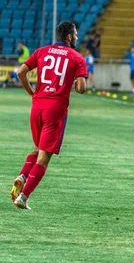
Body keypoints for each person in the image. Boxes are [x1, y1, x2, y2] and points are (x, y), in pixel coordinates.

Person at [11, 21, 88, 209]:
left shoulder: (41, 51)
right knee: (44, 157)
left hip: (37, 107)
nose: (77, 37)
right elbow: (81, 89)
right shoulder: (77, 57)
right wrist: (77, 81)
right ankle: (23, 197)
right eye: (76, 34)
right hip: (56, 110)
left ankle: (23, 175)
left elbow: (21, 72)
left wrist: (31, 92)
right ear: (69, 37)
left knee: (38, 148)